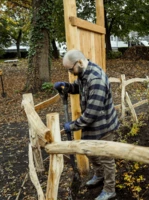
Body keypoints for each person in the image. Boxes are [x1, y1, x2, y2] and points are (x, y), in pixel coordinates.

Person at [54, 49, 119, 200]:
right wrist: (67, 87)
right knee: (90, 152)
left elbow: (91, 114)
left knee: (106, 158)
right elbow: (79, 88)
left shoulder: (96, 79)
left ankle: (110, 189)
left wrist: (73, 125)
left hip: (104, 126)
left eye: (71, 69)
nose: (70, 72)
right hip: (92, 125)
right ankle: (99, 175)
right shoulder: (84, 72)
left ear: (80, 62)